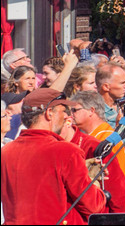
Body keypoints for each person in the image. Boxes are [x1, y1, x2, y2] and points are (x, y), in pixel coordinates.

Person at [0, 88, 107, 225]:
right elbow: (93, 205)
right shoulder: (66, 151)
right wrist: (94, 181)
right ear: (49, 113)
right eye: (64, 111)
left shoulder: (6, 151)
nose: (68, 116)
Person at [69, 91, 125, 213]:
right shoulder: (96, 135)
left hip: (108, 208)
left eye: (75, 110)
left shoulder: (104, 137)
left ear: (92, 111)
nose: (71, 115)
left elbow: (115, 182)